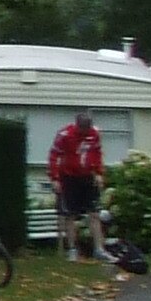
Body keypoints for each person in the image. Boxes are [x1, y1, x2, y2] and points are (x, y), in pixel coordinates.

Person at [48, 111, 107, 261]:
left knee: (94, 213)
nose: (85, 132)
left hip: (87, 177)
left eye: (87, 129)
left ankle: (99, 249)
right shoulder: (65, 135)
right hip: (69, 178)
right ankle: (72, 249)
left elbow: (97, 153)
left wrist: (99, 173)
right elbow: (54, 156)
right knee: (70, 215)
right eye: (82, 129)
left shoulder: (94, 134)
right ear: (77, 126)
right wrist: (55, 178)